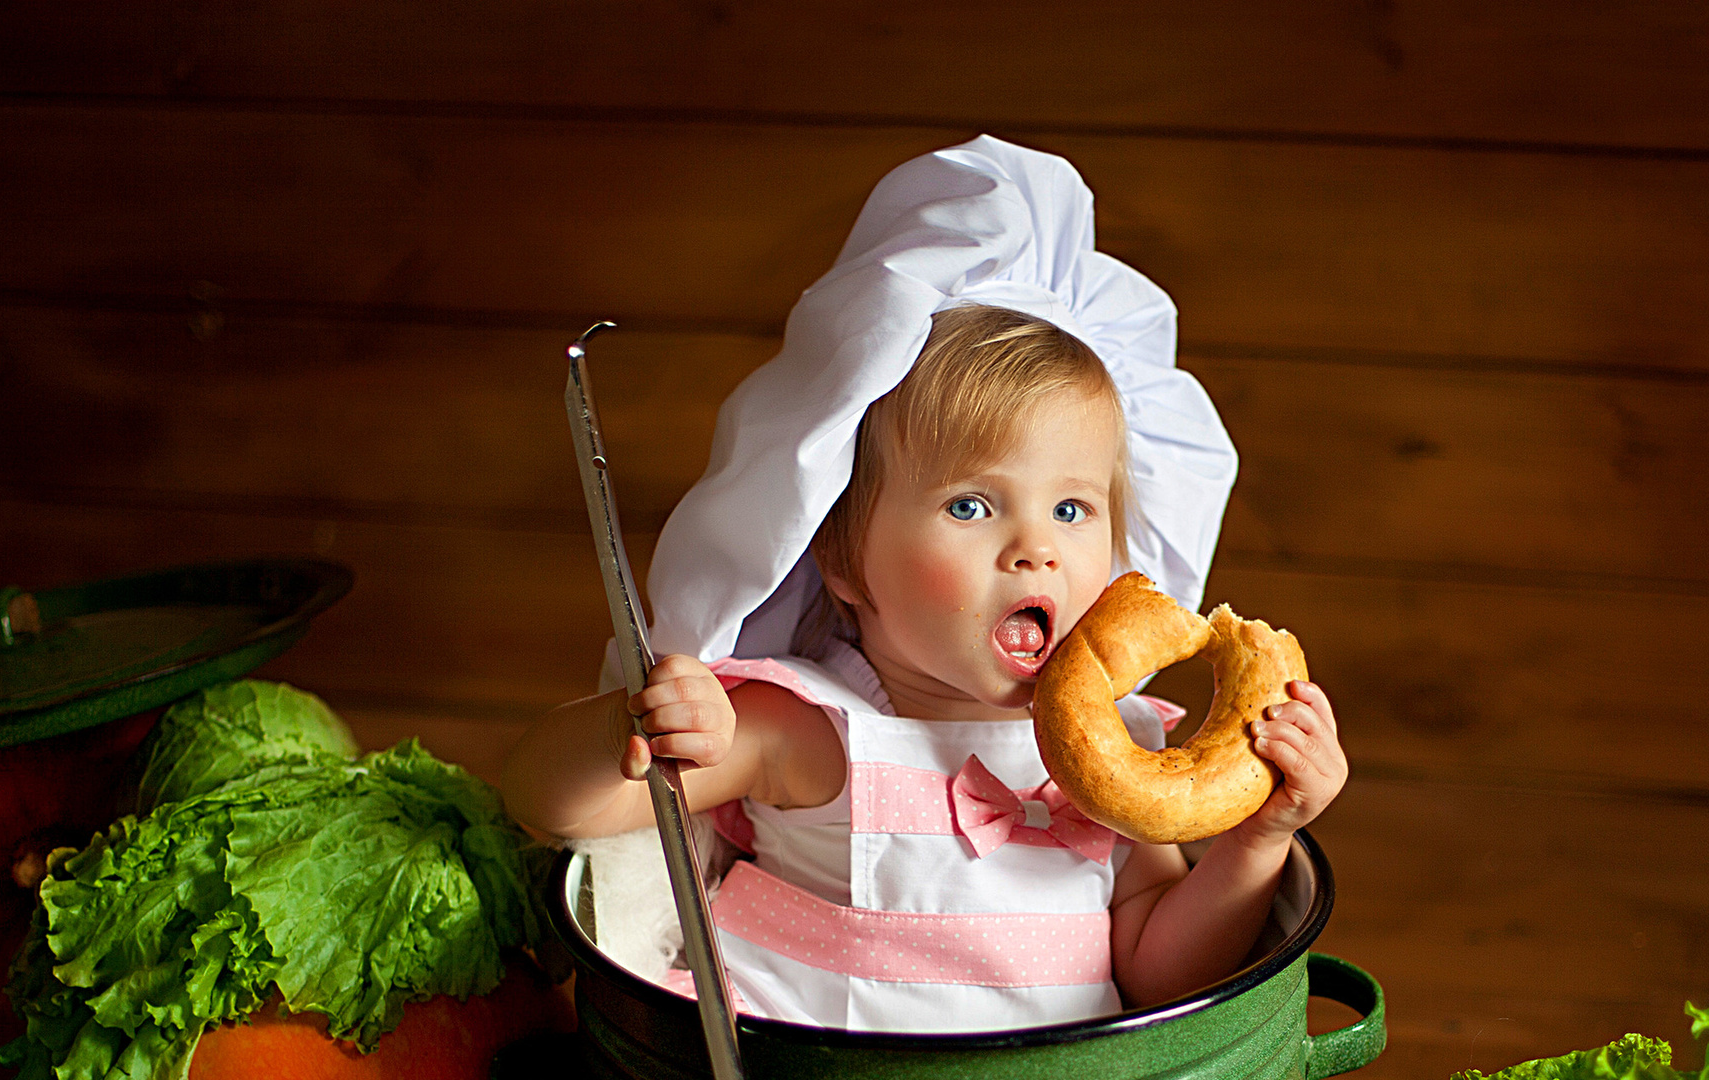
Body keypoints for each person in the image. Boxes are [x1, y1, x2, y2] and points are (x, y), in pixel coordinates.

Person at [501, 138, 1346, 1031]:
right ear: (843, 557)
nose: (1035, 550)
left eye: (1071, 510)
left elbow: (1159, 973)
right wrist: (623, 729)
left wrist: (1260, 836)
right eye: (973, 506)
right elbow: (551, 807)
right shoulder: (808, 729)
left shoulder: (1118, 767)